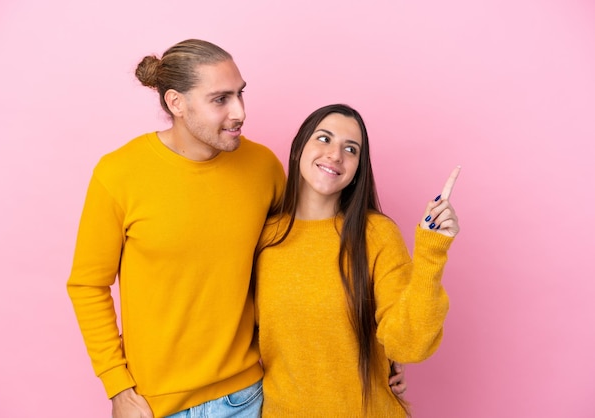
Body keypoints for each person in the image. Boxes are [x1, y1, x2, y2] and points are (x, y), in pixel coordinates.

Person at [67, 40, 408, 418]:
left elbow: (304, 262)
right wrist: (118, 387)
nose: (240, 112)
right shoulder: (118, 174)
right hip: (154, 405)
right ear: (176, 103)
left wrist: (382, 359)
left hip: (247, 397)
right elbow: (87, 285)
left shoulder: (263, 168)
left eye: (241, 94)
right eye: (221, 99)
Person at [254, 104, 460, 417]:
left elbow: (408, 345)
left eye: (350, 149)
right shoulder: (262, 236)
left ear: (356, 171)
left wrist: (431, 252)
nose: (335, 155)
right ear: (298, 150)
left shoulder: (376, 234)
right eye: (324, 139)